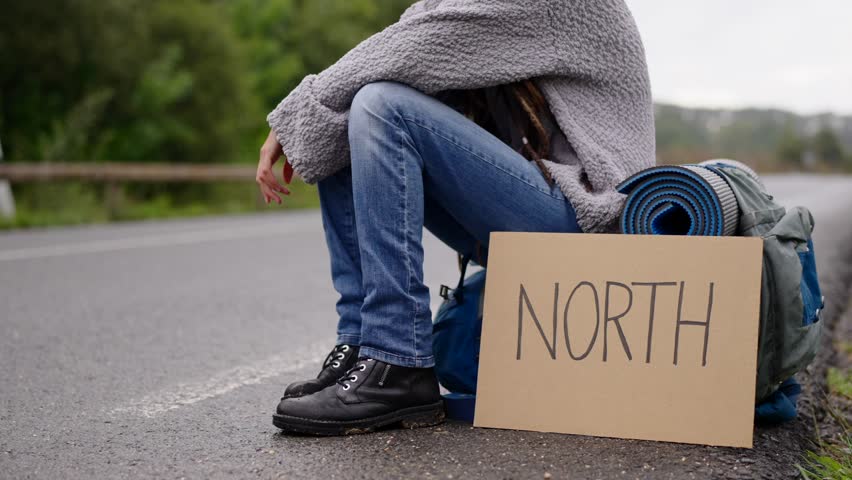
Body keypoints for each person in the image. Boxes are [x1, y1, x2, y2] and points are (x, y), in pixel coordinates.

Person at [256, 0, 654, 436]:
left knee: (379, 104)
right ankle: (361, 347)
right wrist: (308, 119)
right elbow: (411, 32)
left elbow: (414, 46)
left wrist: (294, 113)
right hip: (536, 214)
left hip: (592, 221)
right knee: (344, 115)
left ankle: (398, 361)